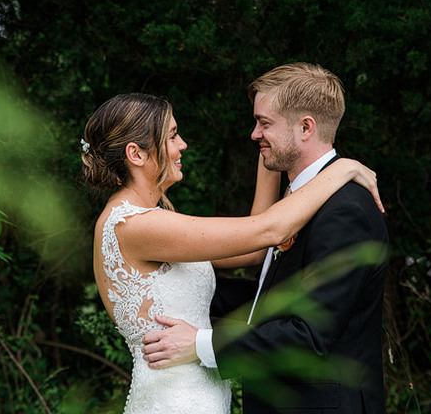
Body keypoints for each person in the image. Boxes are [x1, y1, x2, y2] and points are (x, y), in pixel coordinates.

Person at [80, 91, 384, 414]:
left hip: (197, 391)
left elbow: (253, 251)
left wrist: (270, 155)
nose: (182, 144)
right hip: (175, 400)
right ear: (136, 154)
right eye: (171, 136)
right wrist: (342, 169)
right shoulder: (136, 226)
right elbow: (269, 231)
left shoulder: (151, 222)